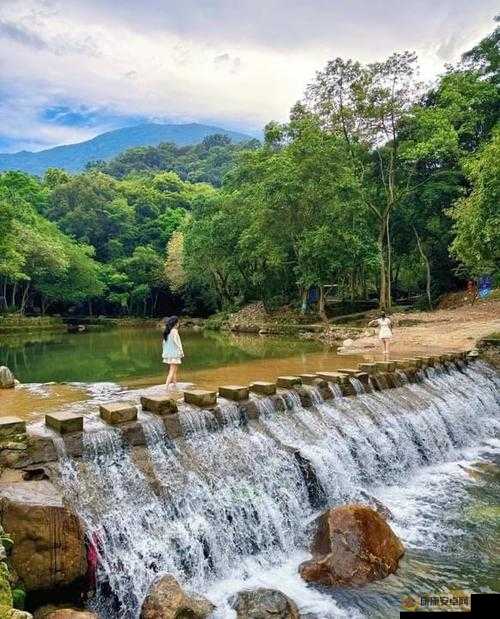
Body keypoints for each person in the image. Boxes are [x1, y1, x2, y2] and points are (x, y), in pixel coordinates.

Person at [162, 316, 184, 390]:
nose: (179, 324)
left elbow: (164, 344)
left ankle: (175, 385)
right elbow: (178, 342)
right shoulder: (174, 331)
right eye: (178, 322)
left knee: (174, 371)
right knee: (172, 371)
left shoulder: (168, 332)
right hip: (175, 354)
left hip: (169, 355)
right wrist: (181, 351)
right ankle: (166, 387)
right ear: (176, 323)